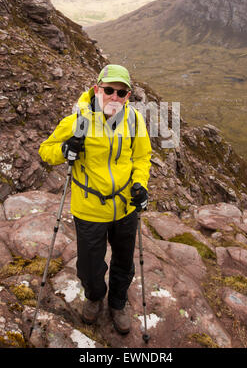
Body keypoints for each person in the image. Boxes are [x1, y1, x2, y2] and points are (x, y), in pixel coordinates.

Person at [38, 64, 152, 335]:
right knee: (90, 267)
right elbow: (46, 151)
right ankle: (94, 297)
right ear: (96, 90)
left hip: (125, 207)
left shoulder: (134, 120)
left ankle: (118, 303)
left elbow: (141, 157)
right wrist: (66, 149)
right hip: (89, 208)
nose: (115, 97)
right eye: (109, 90)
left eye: (122, 92)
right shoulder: (77, 121)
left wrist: (139, 184)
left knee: (124, 262)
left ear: (128, 95)